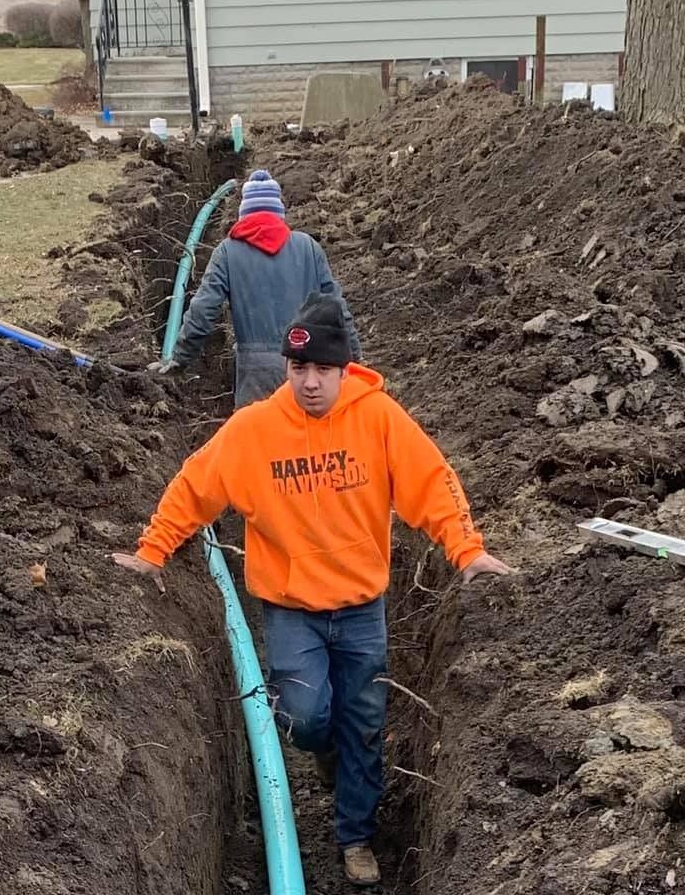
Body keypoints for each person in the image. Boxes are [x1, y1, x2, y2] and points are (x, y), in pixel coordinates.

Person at [114, 293, 509, 887]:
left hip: (361, 609)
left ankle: (356, 836)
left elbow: (432, 480)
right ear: (287, 369)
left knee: (365, 723)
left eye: (323, 370)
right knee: (304, 717)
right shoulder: (254, 430)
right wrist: (153, 551)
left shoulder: (378, 419)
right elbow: (195, 484)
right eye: (300, 369)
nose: (311, 383)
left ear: (344, 368)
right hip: (291, 609)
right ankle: (325, 757)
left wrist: (467, 549)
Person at [150, 169, 361, 408]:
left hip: (255, 373)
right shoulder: (308, 248)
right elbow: (336, 308)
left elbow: (203, 309)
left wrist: (180, 358)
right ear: (279, 213)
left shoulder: (227, 252)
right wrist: (354, 357)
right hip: (306, 369)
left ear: (243, 214)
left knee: (255, 439)